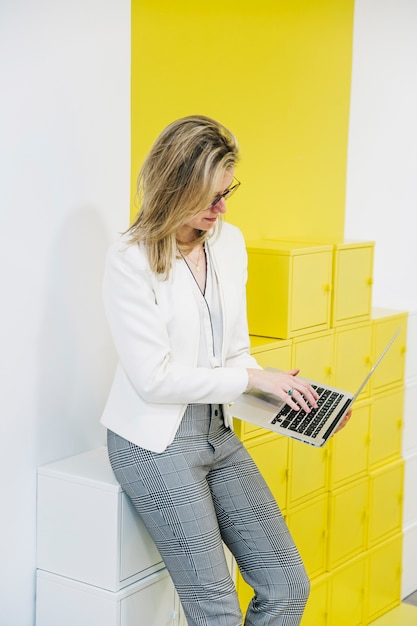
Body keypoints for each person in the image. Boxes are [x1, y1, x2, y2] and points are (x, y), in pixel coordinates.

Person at [101, 115, 351, 626]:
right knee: (215, 608)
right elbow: (154, 378)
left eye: (227, 191)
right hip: (154, 442)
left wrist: (295, 403)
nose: (222, 208)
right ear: (175, 184)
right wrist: (251, 379)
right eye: (210, 195)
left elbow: (234, 355)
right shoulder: (129, 259)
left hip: (217, 430)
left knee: (287, 586)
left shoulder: (228, 243)